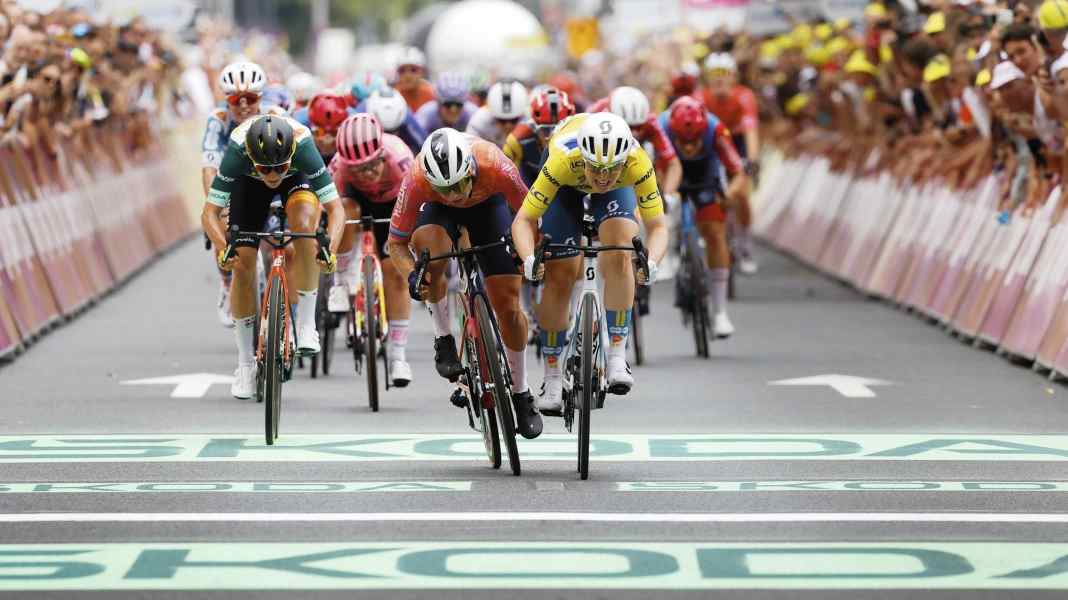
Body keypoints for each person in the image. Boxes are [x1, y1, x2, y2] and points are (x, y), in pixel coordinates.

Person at [386, 129, 542, 439]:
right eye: (445, 188)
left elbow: (530, 215)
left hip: (489, 207)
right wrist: (414, 274)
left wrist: (526, 255)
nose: (455, 195)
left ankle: (521, 392)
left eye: (459, 185)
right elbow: (396, 245)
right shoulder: (417, 179)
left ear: (471, 168)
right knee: (430, 259)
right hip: (437, 215)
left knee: (508, 305)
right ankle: (443, 338)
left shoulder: (495, 164)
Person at [510, 112, 669, 412]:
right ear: (584, 158)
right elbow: (524, 220)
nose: (604, 177)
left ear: (625, 161)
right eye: (596, 169)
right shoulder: (561, 161)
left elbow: (658, 226)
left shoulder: (637, 162)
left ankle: (618, 357)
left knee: (621, 248)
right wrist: (530, 259)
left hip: (611, 194)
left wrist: (653, 263)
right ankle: (553, 377)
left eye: (612, 169)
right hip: (566, 188)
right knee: (560, 273)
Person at [202, 115, 346, 399]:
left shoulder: (303, 145)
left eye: (279, 167)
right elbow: (209, 214)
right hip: (247, 186)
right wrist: (222, 248)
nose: (271, 176)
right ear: (251, 158)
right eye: (264, 169)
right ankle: (245, 365)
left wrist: (331, 248)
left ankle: (306, 326)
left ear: (290, 154)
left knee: (305, 230)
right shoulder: (237, 151)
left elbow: (336, 209)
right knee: (242, 264)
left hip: (297, 182)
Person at [329, 114, 416, 387]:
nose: (367, 174)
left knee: (395, 274)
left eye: (371, 166)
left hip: (395, 206)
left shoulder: (401, 159)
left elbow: (416, 206)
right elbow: (331, 210)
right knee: (346, 211)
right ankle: (342, 282)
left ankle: (398, 356)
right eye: (358, 170)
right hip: (355, 203)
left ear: (382, 155)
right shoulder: (338, 168)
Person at [659, 96, 749, 339]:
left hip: (705, 175)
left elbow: (739, 173)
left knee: (714, 232)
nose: (688, 147)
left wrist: (729, 195)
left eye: (694, 141)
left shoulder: (716, 130)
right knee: (662, 208)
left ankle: (720, 311)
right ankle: (669, 252)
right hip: (669, 171)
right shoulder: (661, 128)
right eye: (683, 142)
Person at [202, 61, 267, 328]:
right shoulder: (217, 121)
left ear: (260, 98)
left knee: (285, 244)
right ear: (225, 99)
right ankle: (228, 282)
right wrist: (215, 207)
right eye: (235, 99)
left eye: (250, 98)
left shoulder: (274, 115)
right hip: (232, 187)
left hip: (269, 185)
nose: (242, 105)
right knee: (224, 228)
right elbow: (208, 169)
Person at [697, 53, 761, 275]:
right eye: (715, 76)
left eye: (725, 76)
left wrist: (752, 161)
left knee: (741, 193)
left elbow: (751, 131)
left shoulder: (744, 96)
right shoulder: (701, 98)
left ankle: (744, 245)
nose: (720, 81)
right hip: (713, 142)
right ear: (707, 78)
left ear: (734, 78)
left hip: (737, 141)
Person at [589, 86, 682, 204]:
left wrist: (667, 196)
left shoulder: (650, 121)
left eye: (637, 127)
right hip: (604, 146)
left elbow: (673, 163)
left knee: (648, 154)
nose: (632, 132)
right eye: (628, 126)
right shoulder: (595, 115)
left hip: (637, 152)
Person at [503, 86, 576, 185]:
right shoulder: (517, 140)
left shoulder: (584, 136)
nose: (552, 137)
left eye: (560, 129)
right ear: (534, 126)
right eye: (546, 130)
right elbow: (508, 181)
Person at [466, 80, 529, 148]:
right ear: (491, 113)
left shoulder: (529, 120)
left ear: (522, 114)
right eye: (502, 120)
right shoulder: (479, 122)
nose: (508, 125)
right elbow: (468, 150)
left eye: (514, 120)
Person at [366, 87, 427, 155]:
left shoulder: (407, 118)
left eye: (394, 131)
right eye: (385, 132)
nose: (389, 139)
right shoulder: (363, 118)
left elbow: (424, 146)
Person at [295, 91, 350, 161]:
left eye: (334, 133)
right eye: (321, 132)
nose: (327, 140)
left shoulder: (352, 127)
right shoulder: (299, 124)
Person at [394, 47, 435, 112]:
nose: (408, 76)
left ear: (422, 72)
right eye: (402, 70)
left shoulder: (431, 94)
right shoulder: (394, 96)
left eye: (413, 70)